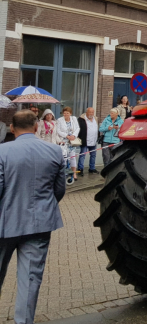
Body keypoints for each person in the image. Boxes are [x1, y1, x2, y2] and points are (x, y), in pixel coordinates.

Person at [0, 110, 65, 324]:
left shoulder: (2, 151)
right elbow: (59, 190)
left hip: (4, 224)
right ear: (36, 127)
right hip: (39, 224)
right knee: (30, 279)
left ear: (12, 128)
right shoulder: (55, 151)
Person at [56, 107, 81, 183]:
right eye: (64, 113)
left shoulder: (74, 119)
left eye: (67, 113)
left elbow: (77, 128)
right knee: (64, 158)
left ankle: (74, 173)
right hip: (63, 141)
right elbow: (58, 130)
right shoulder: (59, 120)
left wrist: (74, 135)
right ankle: (62, 174)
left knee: (72, 157)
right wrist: (66, 136)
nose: (66, 114)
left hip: (72, 141)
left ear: (70, 113)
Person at [77, 107, 99, 175]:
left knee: (93, 155)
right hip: (85, 140)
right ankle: (80, 169)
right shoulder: (81, 119)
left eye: (92, 112)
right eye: (90, 112)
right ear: (86, 112)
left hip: (93, 140)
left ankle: (92, 168)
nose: (91, 114)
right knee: (82, 155)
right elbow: (78, 129)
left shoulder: (95, 118)